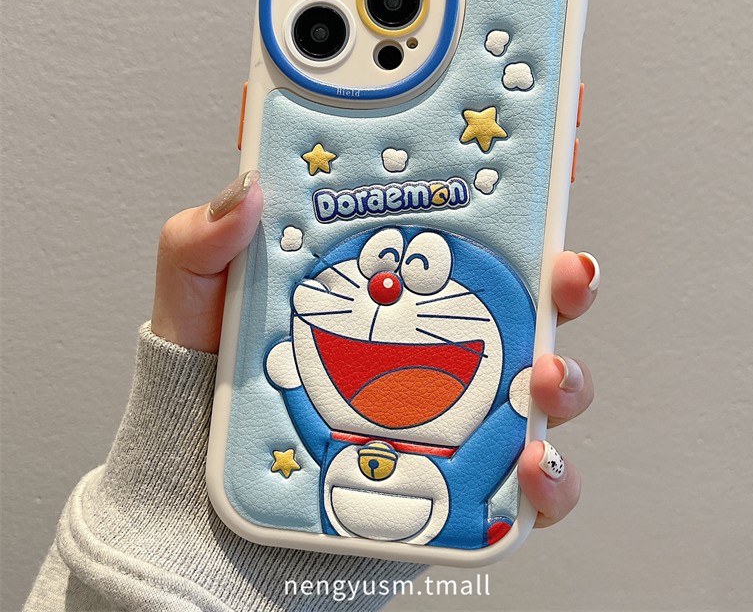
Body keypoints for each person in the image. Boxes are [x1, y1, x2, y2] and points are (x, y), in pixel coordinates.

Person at [24, 172, 599, 611]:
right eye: (376, 266)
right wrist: (178, 510)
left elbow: (485, 455)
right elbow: (310, 422)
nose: (385, 285)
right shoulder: (324, 400)